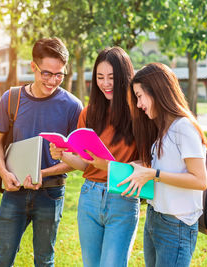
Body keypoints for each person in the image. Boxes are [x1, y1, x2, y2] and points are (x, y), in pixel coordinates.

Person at [0, 37, 83, 267]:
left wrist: (43, 172)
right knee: (1, 259)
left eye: (59, 74)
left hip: (50, 195)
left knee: (44, 261)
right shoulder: (11, 99)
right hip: (15, 190)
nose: (53, 81)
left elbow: (78, 159)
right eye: (46, 73)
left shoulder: (73, 107)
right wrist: (3, 172)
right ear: (33, 67)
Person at [49, 47, 139, 267]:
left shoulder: (138, 112)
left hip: (122, 195)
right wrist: (64, 155)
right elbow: (85, 163)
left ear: (125, 77)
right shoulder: (89, 112)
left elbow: (145, 163)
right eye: (100, 77)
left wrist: (108, 165)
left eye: (111, 77)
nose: (105, 83)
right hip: (89, 196)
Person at [121, 62, 207, 267]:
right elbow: (166, 167)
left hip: (176, 225)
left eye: (140, 96)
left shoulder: (183, 127)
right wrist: (141, 168)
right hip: (155, 218)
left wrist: (154, 174)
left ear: (157, 91)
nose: (139, 104)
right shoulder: (163, 129)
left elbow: (200, 180)